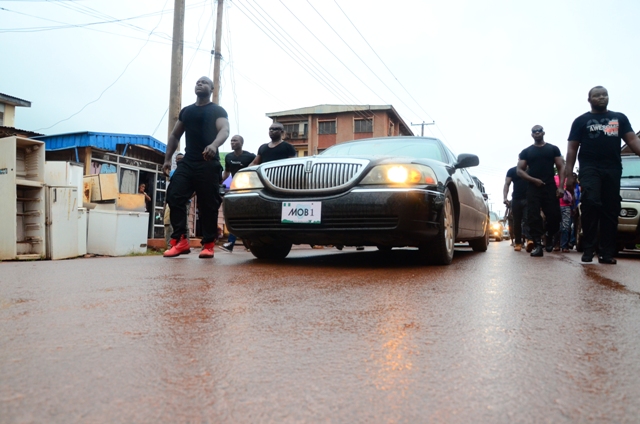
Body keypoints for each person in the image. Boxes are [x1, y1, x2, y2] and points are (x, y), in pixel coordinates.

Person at [565, 86, 640, 264]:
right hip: (589, 168)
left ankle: (606, 252)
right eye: (597, 95)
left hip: (612, 168)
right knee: (591, 202)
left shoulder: (619, 118)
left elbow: (633, 140)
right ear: (589, 99)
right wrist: (569, 174)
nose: (601, 97)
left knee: (610, 209)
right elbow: (572, 149)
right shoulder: (581, 121)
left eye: (604, 95)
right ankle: (589, 247)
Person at [163, 76, 230, 259]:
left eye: (205, 82)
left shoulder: (217, 110)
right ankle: (180, 240)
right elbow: (175, 135)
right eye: (198, 82)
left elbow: (224, 130)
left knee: (208, 204)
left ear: (212, 89)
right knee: (174, 195)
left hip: (208, 163)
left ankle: (208, 244)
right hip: (189, 161)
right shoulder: (187, 111)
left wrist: (214, 145)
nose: (200, 84)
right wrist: (167, 159)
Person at [517, 125, 565, 257]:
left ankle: (549, 235)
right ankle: (538, 245)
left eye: (539, 131)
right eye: (534, 131)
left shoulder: (553, 149)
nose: (537, 133)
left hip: (549, 186)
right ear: (532, 134)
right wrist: (533, 180)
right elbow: (519, 170)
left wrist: (561, 187)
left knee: (554, 215)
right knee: (533, 216)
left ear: (543, 133)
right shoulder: (526, 152)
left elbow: (561, 167)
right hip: (533, 187)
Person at [220, 135, 256, 253]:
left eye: (235, 140)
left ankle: (250, 243)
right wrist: (219, 182)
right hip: (235, 189)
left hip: (249, 189)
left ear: (241, 143)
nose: (232, 142)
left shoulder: (250, 156)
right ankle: (232, 243)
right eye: (231, 141)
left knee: (247, 216)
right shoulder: (229, 157)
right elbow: (227, 172)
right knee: (235, 215)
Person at [503, 164, 529, 251]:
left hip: (528, 199)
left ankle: (529, 240)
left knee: (527, 220)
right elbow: (507, 184)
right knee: (516, 222)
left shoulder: (532, 169)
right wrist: (505, 197)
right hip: (516, 199)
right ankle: (518, 242)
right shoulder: (512, 171)